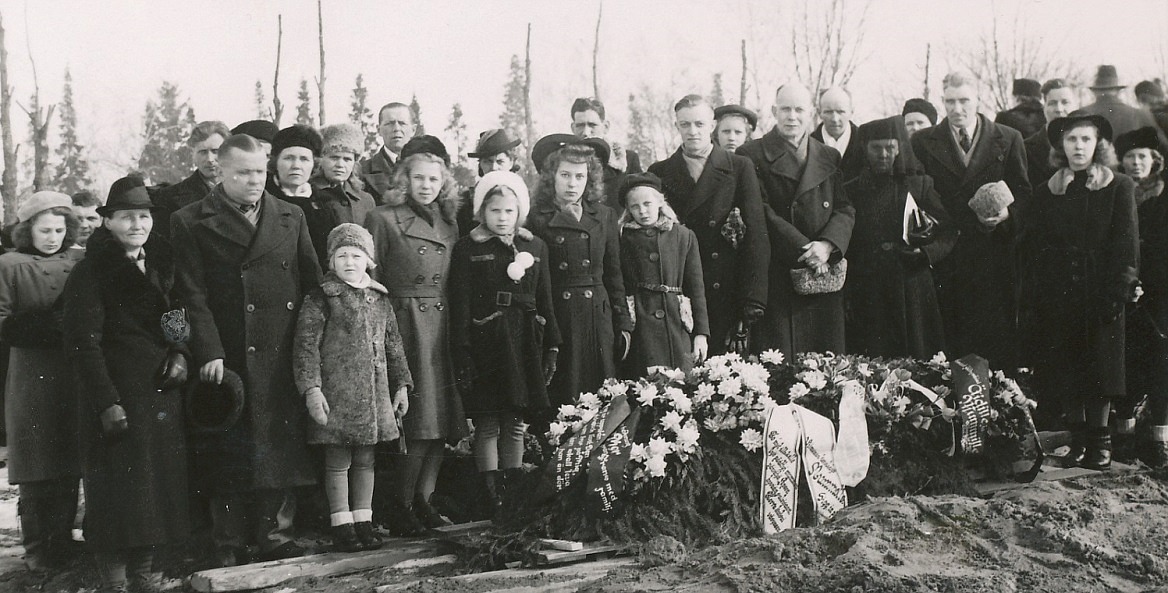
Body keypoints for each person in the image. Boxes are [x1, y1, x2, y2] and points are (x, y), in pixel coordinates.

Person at [171, 134, 322, 567]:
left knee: (279, 442)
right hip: (227, 354)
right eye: (242, 173)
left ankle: (276, 533)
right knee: (228, 447)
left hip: (281, 347)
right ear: (221, 172)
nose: (254, 181)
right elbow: (189, 294)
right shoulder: (189, 220)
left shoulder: (290, 215)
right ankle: (229, 540)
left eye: (259, 171)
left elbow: (311, 283)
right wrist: (208, 349)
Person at [62, 176, 190, 592]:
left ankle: (146, 576)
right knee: (118, 492)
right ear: (108, 223)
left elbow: (175, 312)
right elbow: (84, 342)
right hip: (117, 395)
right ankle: (114, 583)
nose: (138, 224)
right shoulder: (91, 272)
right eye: (126, 217)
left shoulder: (161, 262)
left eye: (144, 216)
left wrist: (179, 351)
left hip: (159, 392)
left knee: (155, 489)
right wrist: (106, 403)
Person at [1021, 114, 1137, 470]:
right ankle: (1078, 440)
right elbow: (1037, 244)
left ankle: (1101, 442)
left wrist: (1120, 288)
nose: (1079, 147)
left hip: (1101, 289)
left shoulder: (1118, 185)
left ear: (1098, 145)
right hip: (1061, 292)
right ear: (1061, 146)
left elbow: (1127, 243)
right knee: (1067, 366)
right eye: (1072, 140)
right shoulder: (1049, 190)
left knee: (1101, 367)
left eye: (1086, 140)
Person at [364, 140, 467, 535]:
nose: (426, 185)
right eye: (419, 178)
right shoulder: (383, 218)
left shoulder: (448, 222)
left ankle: (424, 501)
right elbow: (372, 279)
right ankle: (400, 505)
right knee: (416, 421)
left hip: (442, 325)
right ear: (404, 180)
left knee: (441, 422)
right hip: (405, 324)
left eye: (434, 179)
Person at [293, 223, 413, 552]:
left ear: (368, 260)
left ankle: (363, 520)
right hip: (337, 394)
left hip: (374, 396)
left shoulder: (379, 298)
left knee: (365, 461)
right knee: (338, 461)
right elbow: (306, 348)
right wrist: (312, 389)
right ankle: (341, 523)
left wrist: (401, 385)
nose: (349, 262)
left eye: (356, 255)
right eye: (341, 255)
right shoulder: (321, 298)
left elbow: (394, 345)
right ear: (330, 262)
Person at [448, 171, 560, 516]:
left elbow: (545, 299)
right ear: (482, 211)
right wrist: (464, 350)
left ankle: (514, 490)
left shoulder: (534, 246)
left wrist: (552, 342)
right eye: (495, 211)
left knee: (516, 419)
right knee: (489, 420)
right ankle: (490, 492)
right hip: (488, 344)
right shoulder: (469, 248)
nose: (502, 218)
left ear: (519, 212)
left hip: (524, 341)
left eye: (509, 211)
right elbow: (461, 303)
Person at [911, 71, 1030, 371]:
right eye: (950, 101)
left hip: (994, 256)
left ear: (978, 100)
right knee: (949, 343)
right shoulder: (923, 142)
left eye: (964, 100)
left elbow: (1025, 195)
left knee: (993, 344)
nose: (957, 109)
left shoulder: (1008, 138)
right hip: (946, 258)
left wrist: (1007, 216)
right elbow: (913, 196)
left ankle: (996, 411)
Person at [738, 83, 854, 357]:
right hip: (781, 269)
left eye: (799, 109)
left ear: (811, 113)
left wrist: (827, 246)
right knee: (782, 364)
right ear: (773, 111)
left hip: (822, 272)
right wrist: (805, 248)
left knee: (825, 363)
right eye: (785, 109)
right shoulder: (751, 155)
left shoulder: (828, 155)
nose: (792, 116)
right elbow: (760, 210)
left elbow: (844, 207)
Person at [647, 95, 769, 355]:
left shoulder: (739, 167)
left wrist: (753, 299)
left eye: (700, 124)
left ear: (712, 125)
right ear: (676, 126)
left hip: (726, 290)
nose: (693, 132)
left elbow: (757, 235)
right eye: (685, 125)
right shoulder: (659, 172)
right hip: (680, 291)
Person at [0, 192, 82, 573]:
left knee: (68, 459)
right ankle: (36, 549)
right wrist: (46, 326)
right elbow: (2, 319)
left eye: (59, 229)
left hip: (71, 374)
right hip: (30, 374)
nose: (52, 237)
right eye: (44, 229)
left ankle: (63, 542)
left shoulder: (79, 260)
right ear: (26, 230)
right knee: (35, 463)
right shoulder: (8, 265)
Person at [527, 135, 632, 408]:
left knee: (602, 396)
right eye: (565, 175)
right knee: (565, 394)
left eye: (579, 176)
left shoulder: (605, 215)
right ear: (552, 177)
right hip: (560, 317)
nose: (573, 183)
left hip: (598, 317)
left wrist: (623, 323)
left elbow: (614, 274)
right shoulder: (536, 218)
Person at [843, 117, 955, 358]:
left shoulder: (919, 184)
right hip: (868, 287)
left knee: (917, 356)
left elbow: (948, 231)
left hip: (912, 286)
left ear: (899, 148)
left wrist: (926, 253)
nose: (883, 154)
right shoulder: (852, 189)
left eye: (890, 148)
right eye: (876, 148)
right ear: (865, 149)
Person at [618, 172, 709, 374]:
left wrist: (701, 333)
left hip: (677, 322)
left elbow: (696, 288)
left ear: (659, 201)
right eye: (635, 206)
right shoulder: (622, 239)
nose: (642, 211)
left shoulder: (683, 236)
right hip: (641, 323)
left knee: (682, 384)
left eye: (647, 203)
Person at [1114, 126, 1168, 468]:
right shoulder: (1117, 194)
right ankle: (1123, 434)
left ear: (1155, 161)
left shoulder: (1164, 197)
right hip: (1126, 292)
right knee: (1125, 361)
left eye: (1142, 157)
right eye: (1130, 158)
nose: (1136, 164)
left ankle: (1159, 438)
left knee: (1162, 361)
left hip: (1161, 293)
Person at [151, 120, 231, 239]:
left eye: (216, 151)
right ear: (192, 155)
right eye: (203, 152)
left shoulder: (246, 191)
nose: (210, 159)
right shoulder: (169, 198)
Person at [267, 124, 333, 266]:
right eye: (289, 158)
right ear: (276, 162)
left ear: (314, 164)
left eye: (304, 159)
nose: (296, 165)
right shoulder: (263, 199)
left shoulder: (325, 203)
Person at [310, 123, 377, 250]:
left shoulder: (365, 200)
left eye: (347, 159)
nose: (340, 165)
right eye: (334, 157)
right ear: (320, 159)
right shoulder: (308, 194)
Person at [570, 97, 643, 208]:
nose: (586, 132)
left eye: (592, 125)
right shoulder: (563, 163)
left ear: (606, 127)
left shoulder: (628, 160)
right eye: (580, 125)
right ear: (573, 128)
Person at [1078, 65, 1168, 149]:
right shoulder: (1140, 115)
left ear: (1095, 91)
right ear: (1118, 91)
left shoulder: (1080, 114)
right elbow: (1163, 147)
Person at [456, 128, 523, 236]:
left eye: (500, 161)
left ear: (511, 162)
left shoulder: (522, 199)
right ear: (480, 165)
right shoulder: (466, 202)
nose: (494, 167)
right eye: (488, 161)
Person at [1025, 79, 1081, 189]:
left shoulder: (1087, 145)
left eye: (1065, 102)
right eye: (1052, 103)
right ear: (1044, 107)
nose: (1059, 109)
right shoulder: (1025, 148)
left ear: (1076, 105)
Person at [359, 102, 417, 204]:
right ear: (379, 130)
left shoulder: (427, 170)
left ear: (413, 130)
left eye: (402, 123)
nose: (396, 129)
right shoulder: (363, 171)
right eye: (390, 123)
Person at [811, 87, 864, 181]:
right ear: (819, 113)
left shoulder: (865, 143)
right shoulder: (808, 145)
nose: (835, 119)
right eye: (828, 112)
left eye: (841, 112)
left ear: (851, 111)